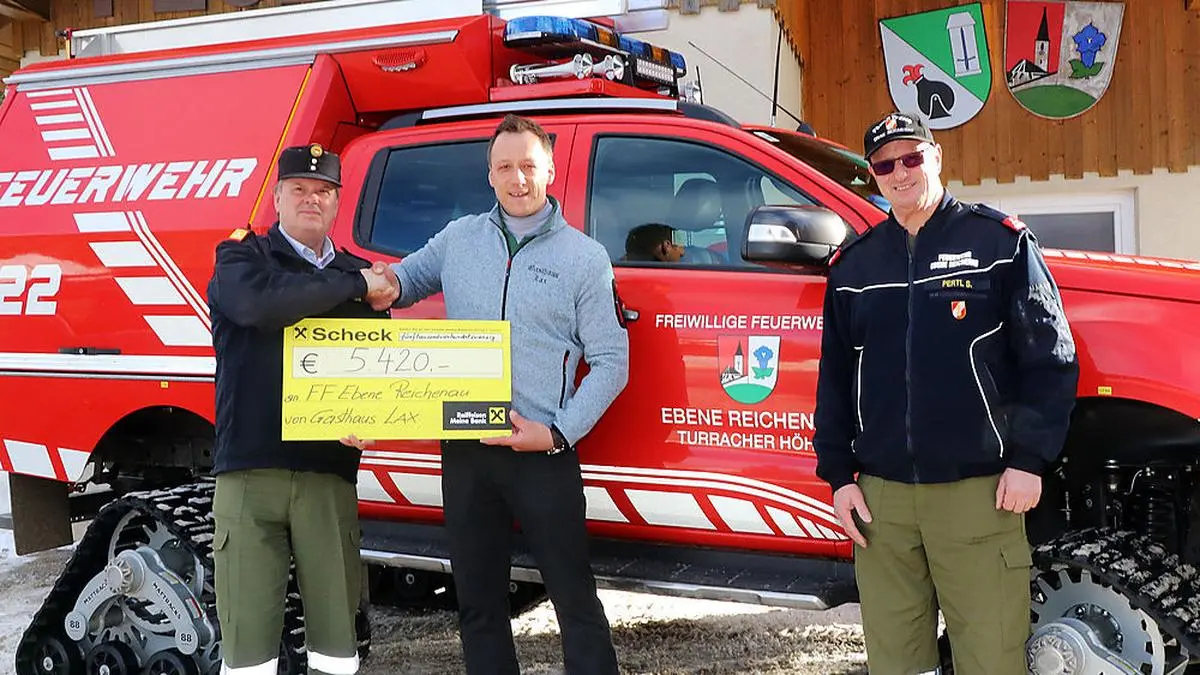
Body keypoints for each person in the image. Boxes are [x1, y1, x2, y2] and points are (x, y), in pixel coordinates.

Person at [812, 111, 1079, 674]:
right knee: (896, 664)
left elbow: (1050, 358)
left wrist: (1029, 460)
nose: (900, 172)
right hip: (881, 502)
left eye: (911, 157)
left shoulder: (998, 244)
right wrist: (838, 479)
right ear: (874, 176)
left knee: (991, 658)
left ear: (936, 158)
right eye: (885, 164)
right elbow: (835, 380)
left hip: (978, 495)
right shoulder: (854, 268)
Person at [383, 114, 629, 674]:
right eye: (504, 167)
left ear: (549, 170)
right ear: (488, 174)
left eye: (528, 166)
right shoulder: (458, 239)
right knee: (478, 604)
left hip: (542, 452)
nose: (518, 179)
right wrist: (360, 284)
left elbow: (614, 360)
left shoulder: (583, 257)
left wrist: (558, 431)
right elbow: (400, 282)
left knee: (574, 600)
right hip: (467, 448)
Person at [207, 143, 399, 675]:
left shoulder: (364, 278)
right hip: (250, 474)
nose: (311, 199)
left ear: (338, 202)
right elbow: (258, 306)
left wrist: (375, 418)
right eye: (299, 189)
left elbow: (373, 369)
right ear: (277, 198)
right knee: (247, 656)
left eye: (323, 191)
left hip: (326, 476)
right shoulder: (242, 256)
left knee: (337, 653)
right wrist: (354, 284)